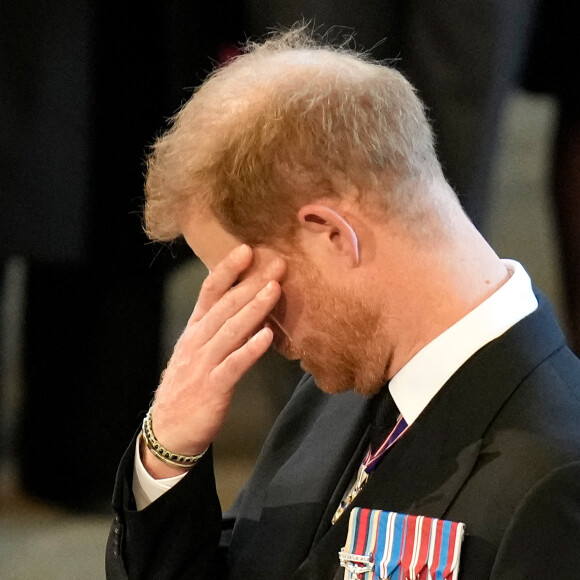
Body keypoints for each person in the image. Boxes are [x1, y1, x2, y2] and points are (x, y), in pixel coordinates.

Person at [106, 29, 580, 579]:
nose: (258, 323)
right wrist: (168, 452)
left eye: (249, 279)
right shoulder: (336, 391)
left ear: (331, 234)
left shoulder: (557, 477)